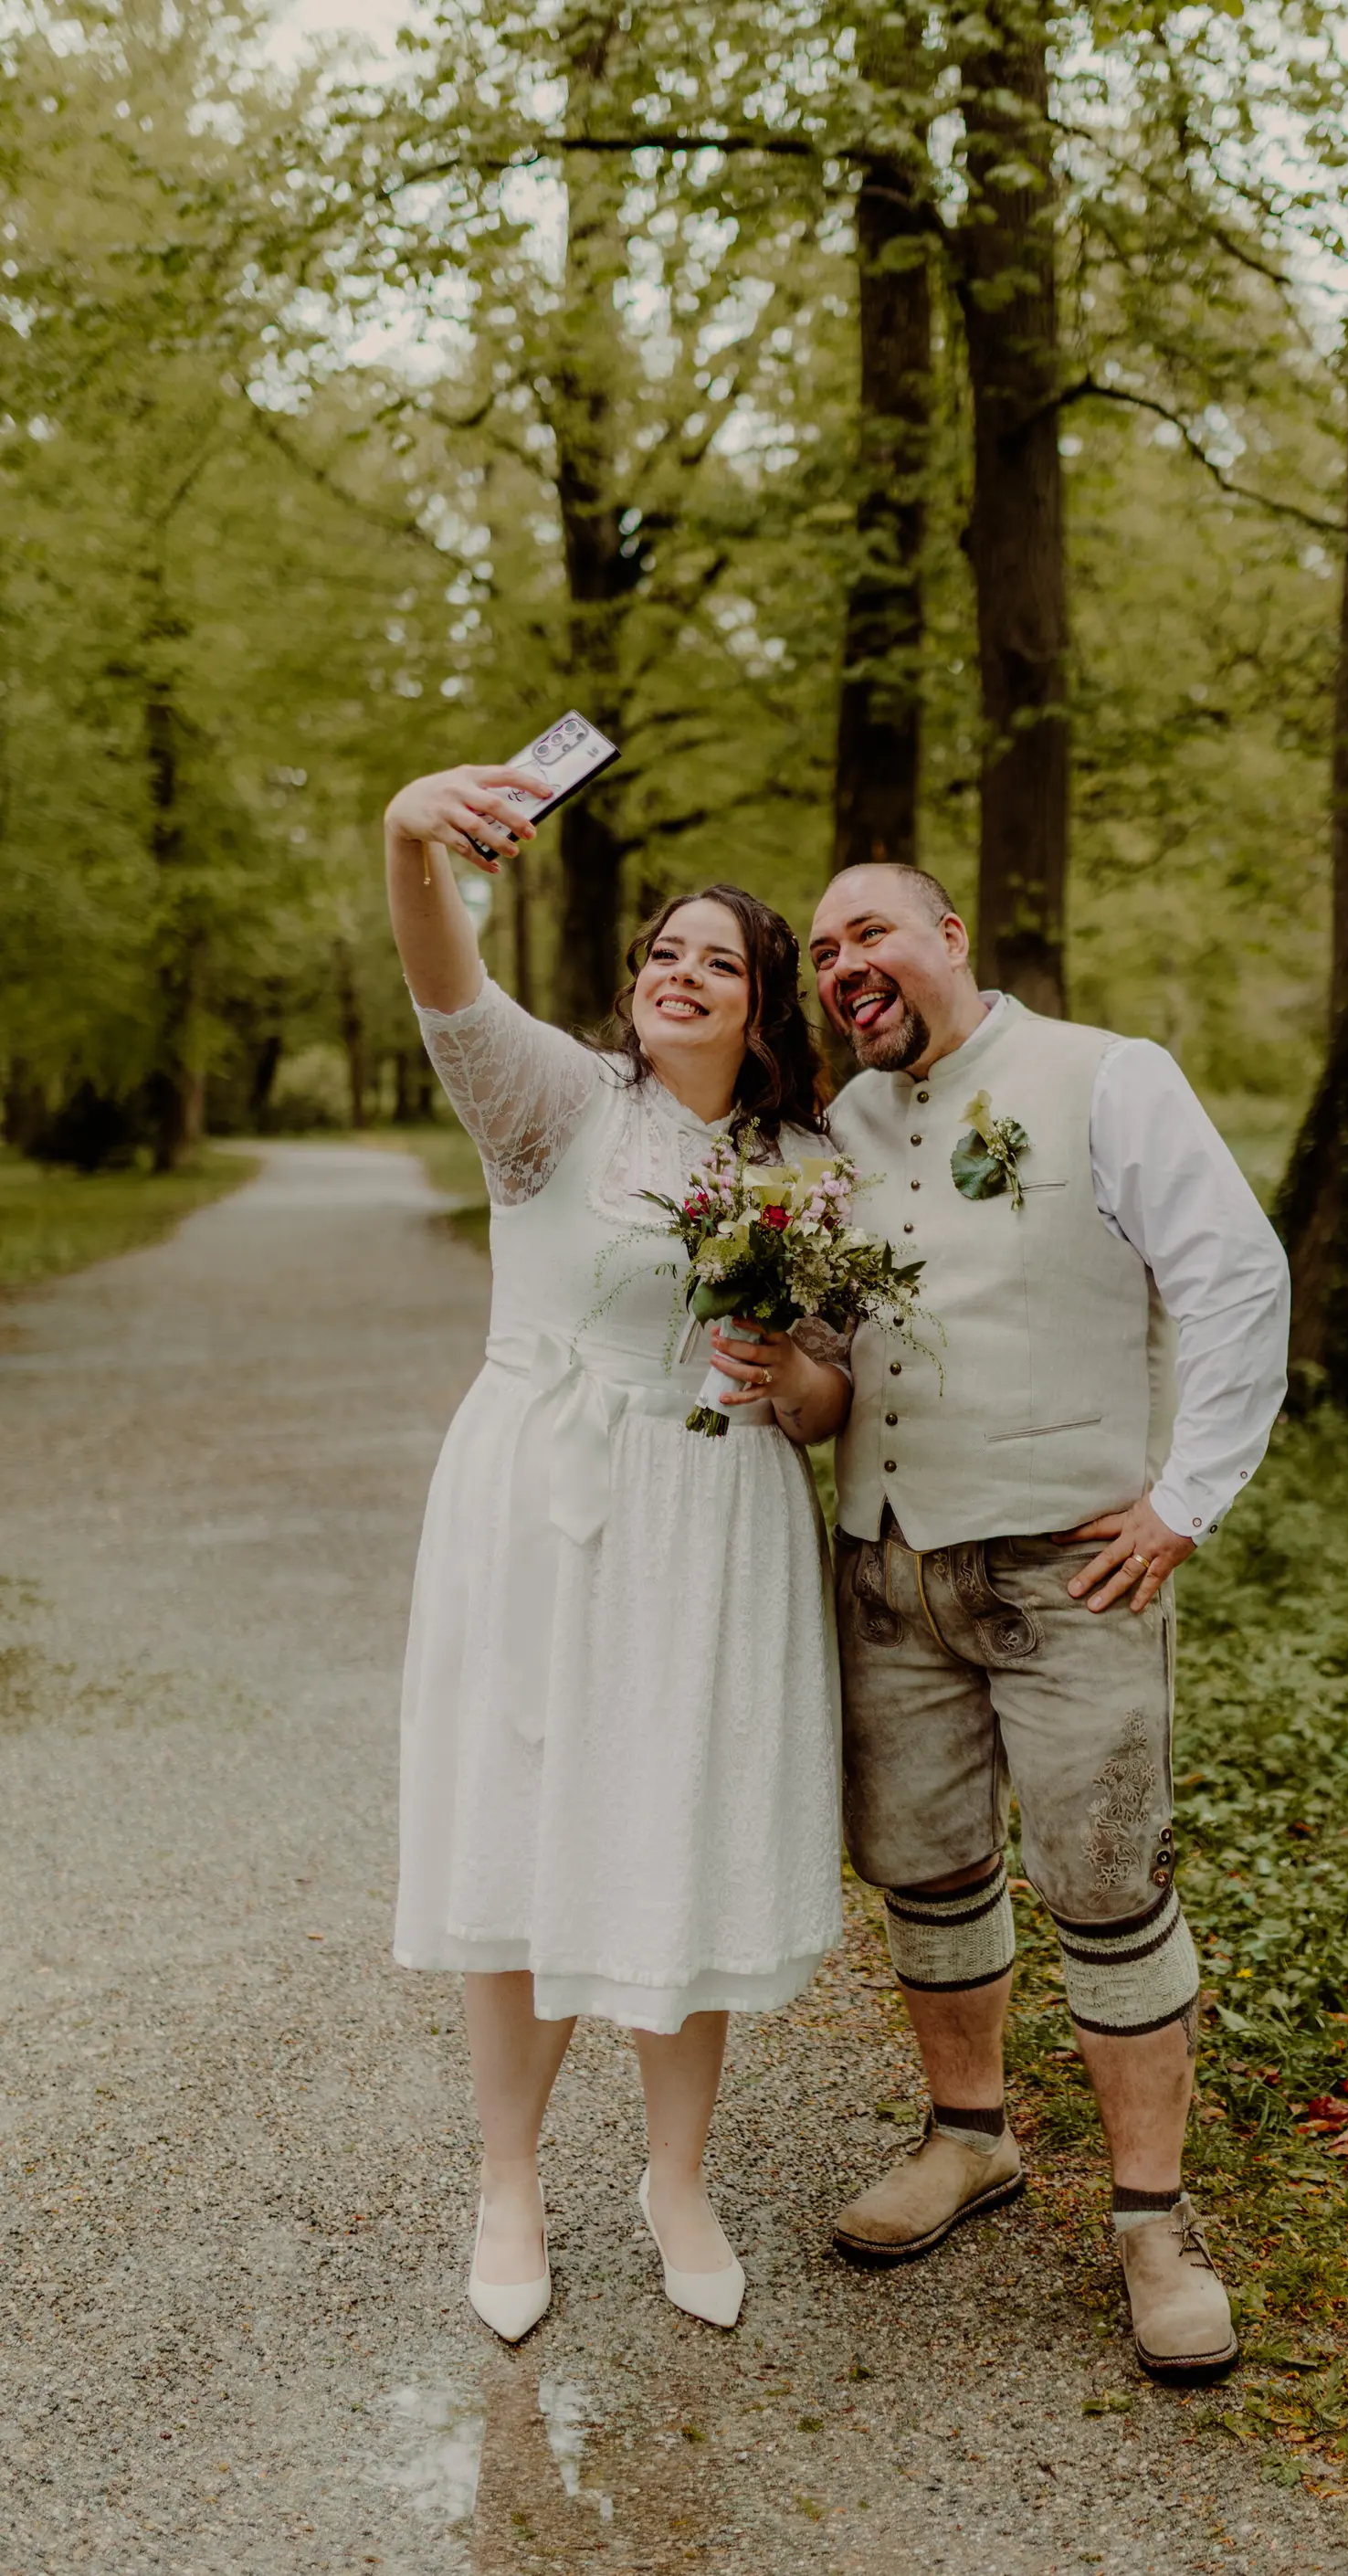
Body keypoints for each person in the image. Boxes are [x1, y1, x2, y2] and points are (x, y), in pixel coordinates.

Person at [384, 762, 849, 2342]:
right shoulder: (560, 1103)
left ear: (761, 1005)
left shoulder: (806, 1165)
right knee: (523, 1825)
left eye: (719, 960)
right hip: (545, 1497)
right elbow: (447, 986)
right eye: (664, 951)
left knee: (680, 1829)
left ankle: (677, 2180)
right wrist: (411, 835)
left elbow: (833, 1385)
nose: (680, 973)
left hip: (715, 1517)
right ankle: (508, 2184)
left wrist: (790, 1384)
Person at [808, 862, 1290, 2382]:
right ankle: (970, 2138)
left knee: (1106, 1880)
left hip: (1072, 1575)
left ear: (950, 938)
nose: (842, 963)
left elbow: (1235, 1278)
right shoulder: (842, 1125)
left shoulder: (1107, 1076)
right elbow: (833, 1348)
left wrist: (1186, 1500)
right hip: (890, 1566)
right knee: (928, 1867)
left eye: (869, 932)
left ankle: (1155, 2224)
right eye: (820, 951)